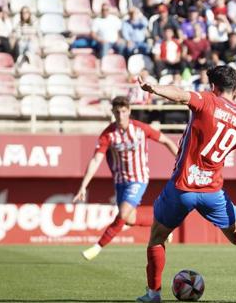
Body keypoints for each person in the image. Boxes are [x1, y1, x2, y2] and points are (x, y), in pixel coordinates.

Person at [135, 65, 236, 303]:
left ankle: (153, 293)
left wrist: (153, 88)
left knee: (157, 238)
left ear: (213, 86)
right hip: (212, 192)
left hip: (182, 188)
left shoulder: (207, 100)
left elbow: (179, 94)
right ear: (235, 89)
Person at [74, 96, 178, 261]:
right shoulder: (108, 135)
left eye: (123, 111)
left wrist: (180, 160)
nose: (121, 115)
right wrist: (83, 186)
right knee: (129, 219)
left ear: (129, 111)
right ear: (113, 113)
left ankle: (97, 247)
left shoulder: (140, 129)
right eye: (117, 112)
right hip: (120, 182)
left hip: (138, 178)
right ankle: (165, 225)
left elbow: (165, 140)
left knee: (122, 214)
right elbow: (96, 160)